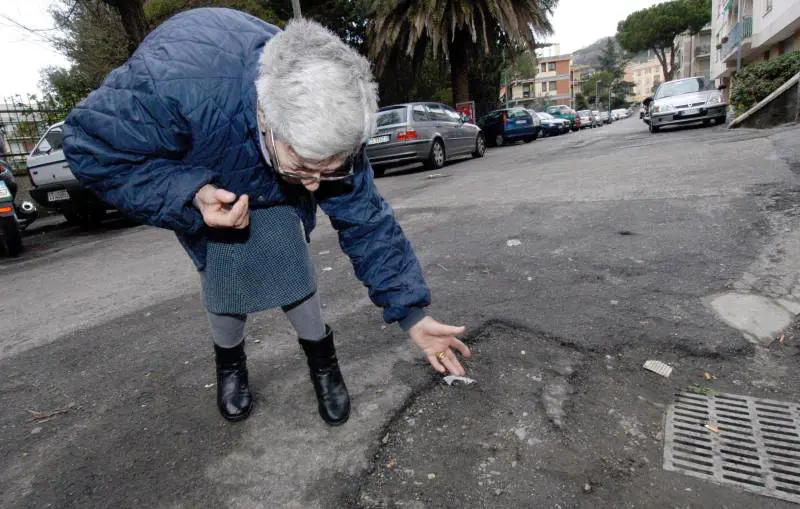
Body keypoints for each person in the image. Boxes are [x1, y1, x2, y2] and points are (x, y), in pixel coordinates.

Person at [62, 8, 471, 425]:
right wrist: (192, 194)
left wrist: (413, 315)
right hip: (208, 171)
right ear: (266, 119)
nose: (315, 186)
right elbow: (88, 149)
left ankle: (323, 365)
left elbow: (367, 220)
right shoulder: (168, 82)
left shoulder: (329, 101)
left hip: (269, 188)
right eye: (304, 168)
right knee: (222, 280)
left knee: (291, 271)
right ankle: (231, 364)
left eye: (329, 170)